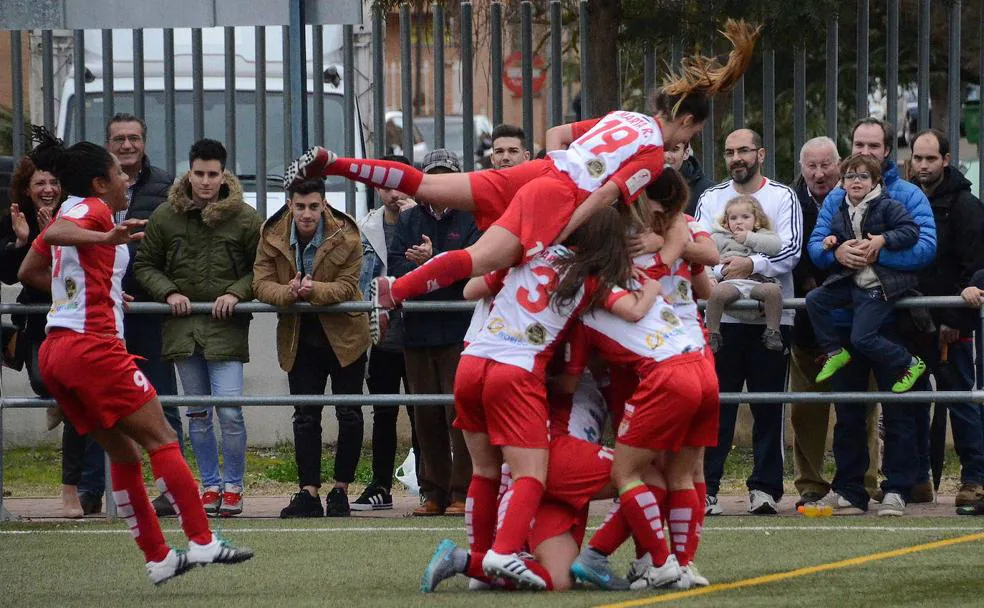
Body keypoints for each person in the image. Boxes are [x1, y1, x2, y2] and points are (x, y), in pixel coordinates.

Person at [284, 20, 760, 339]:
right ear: (689, 124)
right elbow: (609, 193)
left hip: (539, 170)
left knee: (426, 187)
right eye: (693, 132)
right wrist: (564, 225)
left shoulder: (624, 116)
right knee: (477, 261)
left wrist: (559, 173)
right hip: (555, 193)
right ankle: (395, 291)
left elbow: (555, 135)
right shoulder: (653, 155)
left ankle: (333, 163)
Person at [18, 132, 252, 585]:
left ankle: (159, 556)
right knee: (163, 437)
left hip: (57, 351)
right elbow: (56, 234)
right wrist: (106, 235)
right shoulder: (94, 210)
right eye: (118, 172)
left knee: (123, 453)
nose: (126, 178)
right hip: (92, 349)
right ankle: (203, 542)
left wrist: (94, 291)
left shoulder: (71, 207)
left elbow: (32, 269)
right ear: (99, 183)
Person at [452, 203, 651, 588]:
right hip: (524, 385)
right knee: (642, 474)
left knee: (489, 472)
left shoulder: (528, 256)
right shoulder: (588, 286)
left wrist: (510, 270)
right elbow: (630, 312)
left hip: (474, 359)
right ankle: (647, 561)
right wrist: (653, 283)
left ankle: (476, 560)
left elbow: (470, 287)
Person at [135, 139, 261, 517]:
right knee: (197, 414)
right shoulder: (165, 216)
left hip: (227, 329)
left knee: (230, 411)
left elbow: (265, 269)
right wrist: (168, 291)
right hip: (182, 330)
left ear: (224, 174)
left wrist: (236, 293)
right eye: (199, 173)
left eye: (212, 174)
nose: (205, 182)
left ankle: (234, 485)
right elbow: (144, 265)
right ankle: (209, 485)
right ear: (188, 172)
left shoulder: (246, 218)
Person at [821, 117, 937, 515]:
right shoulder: (837, 196)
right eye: (858, 144)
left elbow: (925, 248)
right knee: (849, 411)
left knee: (899, 410)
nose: (865, 152)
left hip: (892, 321)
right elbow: (815, 248)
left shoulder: (907, 195)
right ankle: (850, 489)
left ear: (887, 150)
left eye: (873, 146)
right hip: (844, 320)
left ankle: (897, 489)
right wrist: (835, 253)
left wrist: (877, 250)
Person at [694, 128, 802, 516]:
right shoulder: (710, 197)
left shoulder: (783, 196)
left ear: (761, 153)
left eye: (743, 150)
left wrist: (752, 263)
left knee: (768, 408)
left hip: (769, 319)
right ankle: (706, 488)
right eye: (729, 152)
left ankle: (765, 490)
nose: (736, 157)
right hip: (724, 321)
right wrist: (723, 271)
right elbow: (699, 245)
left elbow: (790, 249)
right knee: (715, 407)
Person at [252, 177, 370, 518]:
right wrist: (289, 294)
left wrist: (312, 290)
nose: (307, 214)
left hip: (346, 335)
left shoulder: (346, 233)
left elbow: (348, 287)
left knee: (349, 413)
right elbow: (259, 284)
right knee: (305, 416)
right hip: (299, 336)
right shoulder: (271, 234)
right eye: (300, 206)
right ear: (290, 204)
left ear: (324, 205)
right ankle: (308, 492)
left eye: (314, 207)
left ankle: (341, 490)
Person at [0, 153, 105, 517]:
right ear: (27, 190)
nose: (48, 190)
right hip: (38, 320)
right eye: (39, 184)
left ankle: (70, 492)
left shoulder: (75, 215)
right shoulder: (17, 219)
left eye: (53, 183)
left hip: (75, 318)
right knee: (48, 384)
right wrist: (24, 241)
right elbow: (12, 276)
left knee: (76, 399)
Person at [789, 136, 882, 508]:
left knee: (862, 406)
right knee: (806, 409)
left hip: (856, 321)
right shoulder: (789, 201)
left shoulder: (862, 199)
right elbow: (791, 253)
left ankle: (866, 480)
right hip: (806, 326)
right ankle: (810, 483)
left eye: (826, 164)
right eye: (811, 166)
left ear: (839, 165)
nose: (819, 172)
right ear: (802, 168)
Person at [388, 149, 479, 516]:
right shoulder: (408, 219)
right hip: (418, 331)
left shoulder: (472, 217)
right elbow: (394, 264)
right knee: (425, 417)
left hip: (459, 330)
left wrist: (433, 260)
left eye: (446, 175)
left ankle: (463, 492)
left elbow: (474, 266)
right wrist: (426, 269)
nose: (439, 183)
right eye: (433, 176)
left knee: (460, 415)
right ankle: (432, 492)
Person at [105, 112, 183, 517]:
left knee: (161, 399)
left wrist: (157, 289)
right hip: (102, 311)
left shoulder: (166, 185)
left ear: (144, 141)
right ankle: (93, 491)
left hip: (149, 310)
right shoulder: (94, 186)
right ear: (108, 145)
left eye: (133, 138)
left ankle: (172, 491)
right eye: (119, 139)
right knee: (99, 405)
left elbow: (175, 246)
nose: (127, 145)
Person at [909, 128, 984, 508]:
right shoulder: (904, 199)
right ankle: (919, 480)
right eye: (918, 158)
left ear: (946, 160)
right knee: (914, 402)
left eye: (930, 159)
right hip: (913, 323)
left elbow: (976, 268)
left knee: (962, 401)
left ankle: (974, 481)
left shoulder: (967, 206)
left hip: (955, 327)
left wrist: (955, 318)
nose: (923, 166)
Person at [807, 153, 924, 391]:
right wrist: (832, 242)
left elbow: (911, 231)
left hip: (879, 283)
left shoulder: (888, 205)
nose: (856, 181)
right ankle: (834, 352)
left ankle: (911, 362)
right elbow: (837, 238)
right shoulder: (840, 210)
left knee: (861, 338)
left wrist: (883, 240)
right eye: (850, 176)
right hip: (852, 279)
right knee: (814, 300)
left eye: (863, 176)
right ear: (842, 182)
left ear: (875, 181)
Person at [356, 155, 419, 511]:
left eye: (400, 183)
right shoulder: (365, 228)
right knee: (383, 413)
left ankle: (429, 482)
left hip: (420, 335)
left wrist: (413, 218)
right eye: (385, 185)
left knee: (422, 413)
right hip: (381, 337)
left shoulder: (423, 221)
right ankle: (380, 484)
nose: (393, 192)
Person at [704, 194, 784, 353]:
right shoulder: (719, 237)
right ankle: (712, 334)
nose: (738, 221)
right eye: (733, 218)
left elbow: (776, 246)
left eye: (745, 217)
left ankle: (773, 332)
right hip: (731, 283)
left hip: (757, 281)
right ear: (726, 222)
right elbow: (706, 258)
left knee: (773, 291)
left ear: (757, 220)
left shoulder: (763, 234)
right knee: (716, 293)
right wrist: (710, 277)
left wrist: (749, 237)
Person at [664, 142, 714, 215]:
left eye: (674, 149)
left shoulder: (709, 191)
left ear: (686, 153)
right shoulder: (644, 187)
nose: (666, 156)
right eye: (661, 149)